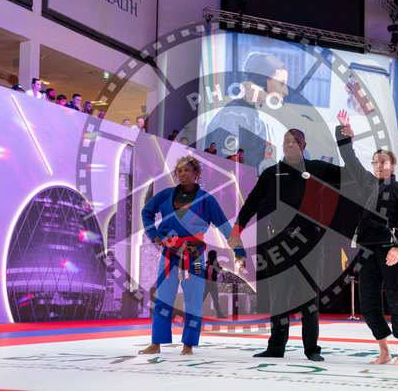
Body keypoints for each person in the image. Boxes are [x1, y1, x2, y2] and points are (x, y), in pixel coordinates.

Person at [227, 128, 347, 362]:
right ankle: (275, 347)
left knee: (309, 297)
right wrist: (236, 232)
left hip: (310, 241)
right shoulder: (271, 173)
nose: (290, 144)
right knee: (278, 296)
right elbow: (251, 203)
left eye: (295, 141)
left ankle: (312, 349)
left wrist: (345, 141)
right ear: (282, 146)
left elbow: (348, 173)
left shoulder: (317, 169)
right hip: (279, 240)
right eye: (287, 141)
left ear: (304, 145)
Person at [140, 155, 246, 356]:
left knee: (193, 299)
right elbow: (146, 212)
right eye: (179, 171)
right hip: (170, 254)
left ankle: (188, 344)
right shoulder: (166, 195)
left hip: (194, 255)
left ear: (196, 173)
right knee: (163, 298)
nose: (182, 174)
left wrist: (239, 251)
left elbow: (225, 228)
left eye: (187, 170)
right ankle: (156, 343)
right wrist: (154, 235)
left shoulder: (206, 200)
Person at [336, 110, 398, 366]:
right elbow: (349, 159)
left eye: (383, 162)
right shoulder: (366, 183)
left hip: (392, 250)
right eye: (375, 162)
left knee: (396, 299)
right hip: (367, 250)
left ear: (393, 165)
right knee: (368, 302)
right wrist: (343, 133)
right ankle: (384, 351)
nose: (379, 166)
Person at [204, 52, 288, 172]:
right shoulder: (236, 113)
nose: (286, 91)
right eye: (282, 83)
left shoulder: (267, 116)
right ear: (262, 81)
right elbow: (223, 168)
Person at [203, 250, 227, 319]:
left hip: (206, 283)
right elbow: (210, 268)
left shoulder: (207, 262)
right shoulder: (213, 263)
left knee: (202, 298)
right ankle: (219, 314)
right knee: (215, 299)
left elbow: (209, 268)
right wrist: (210, 277)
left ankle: (194, 313)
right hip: (211, 283)